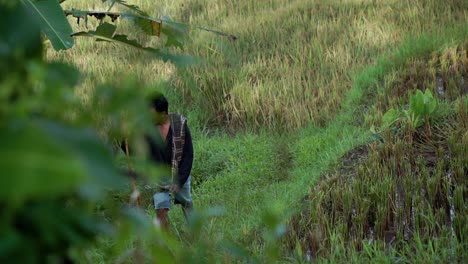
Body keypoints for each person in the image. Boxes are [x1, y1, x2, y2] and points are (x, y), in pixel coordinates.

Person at [146, 95, 194, 230]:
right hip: (160, 175)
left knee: (186, 203)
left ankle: (196, 234)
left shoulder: (180, 126)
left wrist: (179, 180)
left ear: (163, 114)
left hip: (179, 172)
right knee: (160, 209)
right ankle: (166, 244)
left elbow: (188, 155)